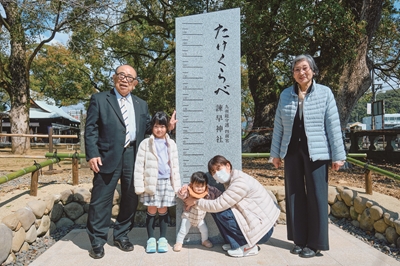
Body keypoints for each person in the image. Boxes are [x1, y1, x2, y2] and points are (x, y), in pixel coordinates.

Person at [85, 65, 176, 259]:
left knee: (130, 197)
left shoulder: (141, 104)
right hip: (106, 155)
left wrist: (168, 127)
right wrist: (92, 153)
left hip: (134, 155)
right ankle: (97, 241)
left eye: (130, 77)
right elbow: (91, 128)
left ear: (134, 84)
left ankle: (121, 234)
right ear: (114, 78)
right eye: (121, 75)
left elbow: (147, 131)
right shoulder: (100, 99)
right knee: (101, 199)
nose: (125, 79)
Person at [269, 54, 346, 258]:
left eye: (305, 68)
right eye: (297, 69)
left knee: (317, 196)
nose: (301, 72)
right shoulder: (286, 94)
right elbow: (278, 126)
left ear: (313, 70)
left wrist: (338, 156)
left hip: (317, 153)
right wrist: (275, 154)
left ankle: (315, 243)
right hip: (292, 150)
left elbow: (333, 125)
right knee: (293, 194)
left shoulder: (325, 93)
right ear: (293, 74)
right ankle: (299, 239)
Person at [185, 155, 280, 258]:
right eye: (213, 172)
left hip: (262, 230)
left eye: (218, 168)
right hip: (258, 224)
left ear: (228, 166)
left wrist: (196, 202)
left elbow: (219, 204)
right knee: (217, 210)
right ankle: (235, 244)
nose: (216, 173)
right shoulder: (232, 180)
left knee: (221, 212)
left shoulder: (240, 182)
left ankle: (248, 247)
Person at [134, 111, 181, 253]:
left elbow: (175, 165)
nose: (159, 129)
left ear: (167, 127)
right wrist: (139, 185)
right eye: (156, 126)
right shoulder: (145, 143)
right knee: (151, 209)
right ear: (152, 127)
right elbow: (139, 165)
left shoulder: (171, 143)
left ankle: (162, 238)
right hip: (151, 182)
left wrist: (176, 185)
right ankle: (150, 239)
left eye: (162, 126)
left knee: (163, 210)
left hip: (166, 181)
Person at [173, 171, 222, 252]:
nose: (200, 188)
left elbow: (216, 193)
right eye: (197, 186)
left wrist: (222, 195)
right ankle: (178, 242)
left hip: (200, 218)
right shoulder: (189, 191)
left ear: (206, 184)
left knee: (204, 230)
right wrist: (182, 191)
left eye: (202, 186)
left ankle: (204, 240)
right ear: (192, 184)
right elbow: (181, 195)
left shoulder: (208, 192)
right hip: (188, 216)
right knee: (183, 230)